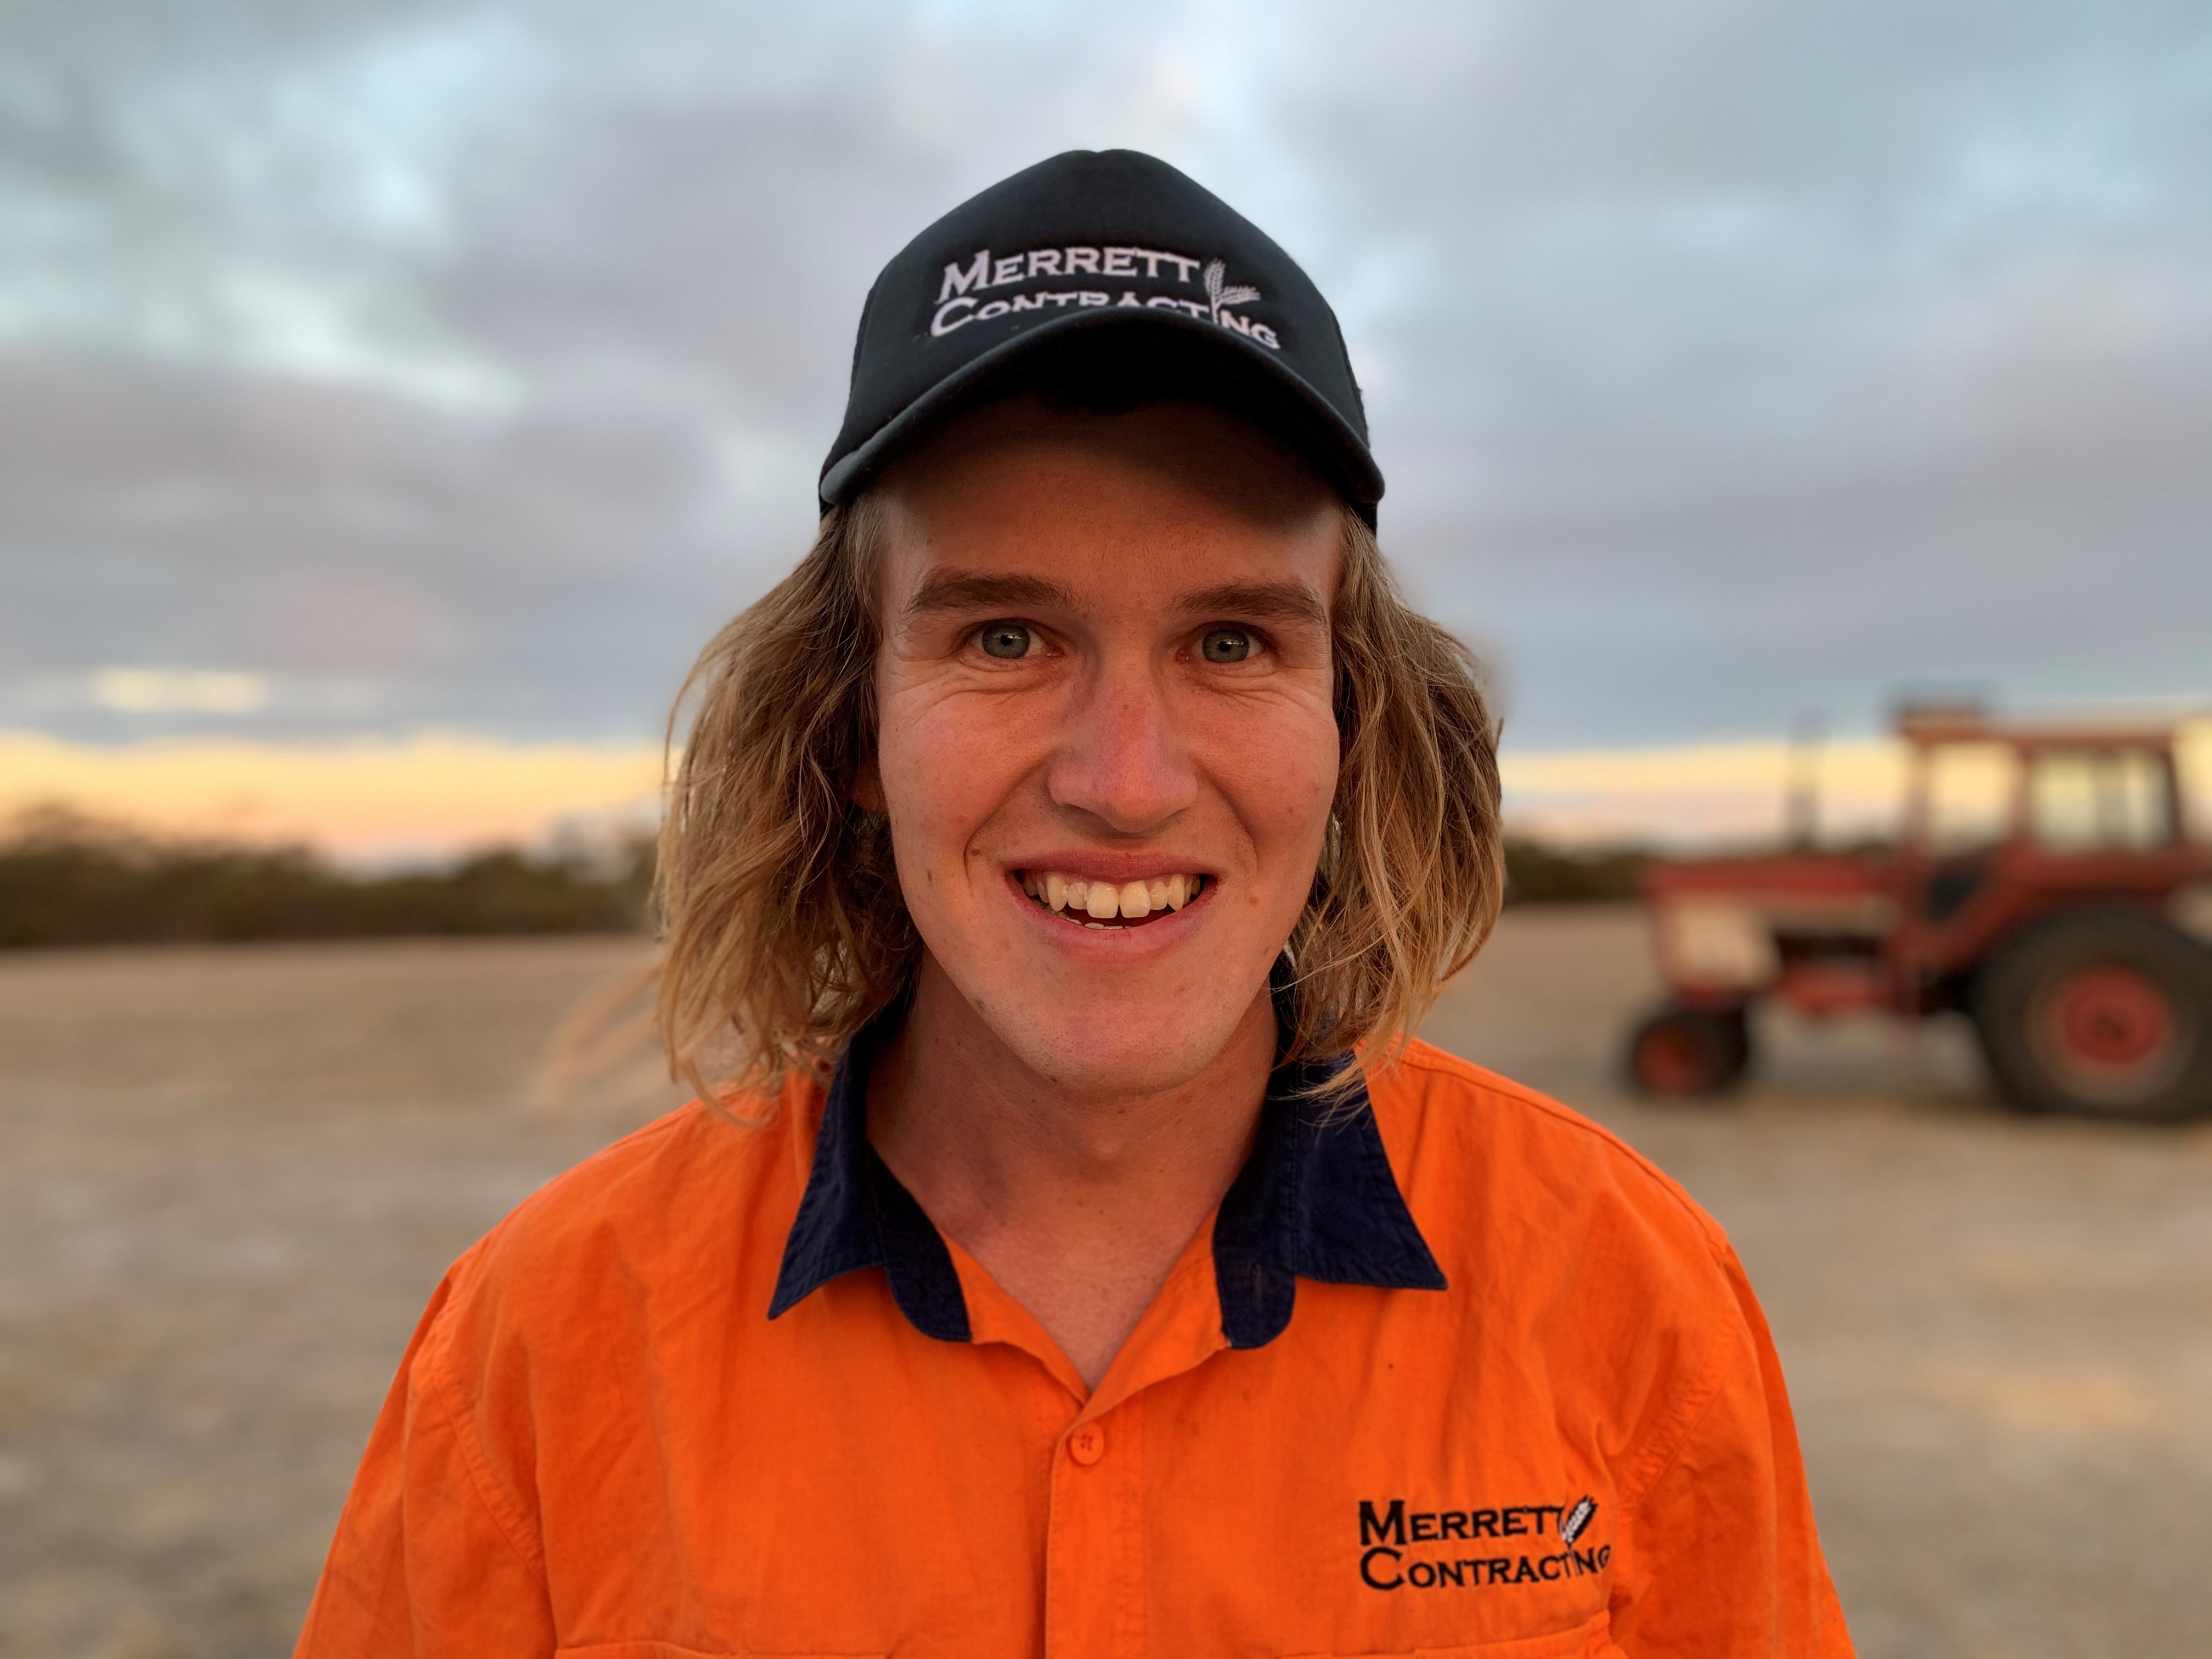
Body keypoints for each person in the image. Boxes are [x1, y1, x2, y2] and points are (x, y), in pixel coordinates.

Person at [296, 150, 1852, 1658]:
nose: (1125, 782)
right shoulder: (542, 1338)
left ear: (1352, 721)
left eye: (1233, 642)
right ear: (851, 732)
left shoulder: (1628, 1291)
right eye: (1004, 640)